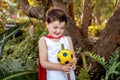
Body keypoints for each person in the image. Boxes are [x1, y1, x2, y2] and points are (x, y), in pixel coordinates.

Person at [38, 7, 77, 80]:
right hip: (54, 76)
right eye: (55, 28)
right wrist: (61, 67)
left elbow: (73, 57)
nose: (58, 31)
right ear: (47, 24)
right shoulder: (44, 41)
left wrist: (74, 61)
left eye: (62, 28)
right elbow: (43, 62)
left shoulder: (67, 39)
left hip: (69, 75)